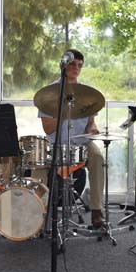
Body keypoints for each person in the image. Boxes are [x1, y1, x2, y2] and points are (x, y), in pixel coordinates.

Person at [37, 49, 106, 229]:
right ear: (63, 65)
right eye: (73, 64)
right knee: (37, 164)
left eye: (79, 65)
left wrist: (93, 128)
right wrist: (65, 113)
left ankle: (97, 210)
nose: (76, 68)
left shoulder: (87, 94)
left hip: (81, 143)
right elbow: (47, 128)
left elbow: (90, 122)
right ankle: (40, 212)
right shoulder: (49, 93)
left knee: (98, 157)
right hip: (56, 145)